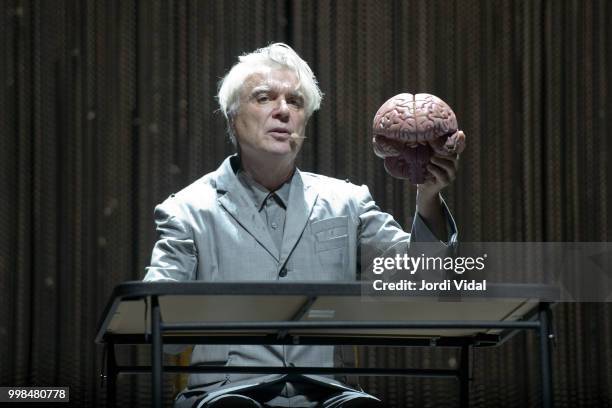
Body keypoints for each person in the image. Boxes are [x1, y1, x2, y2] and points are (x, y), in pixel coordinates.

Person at [144, 43, 464, 408]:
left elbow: (422, 283)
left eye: (295, 102)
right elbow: (159, 326)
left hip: (329, 396)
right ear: (232, 117)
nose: (282, 111)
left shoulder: (347, 202)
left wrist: (428, 198)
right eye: (264, 98)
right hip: (226, 395)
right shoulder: (188, 210)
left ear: (305, 121)